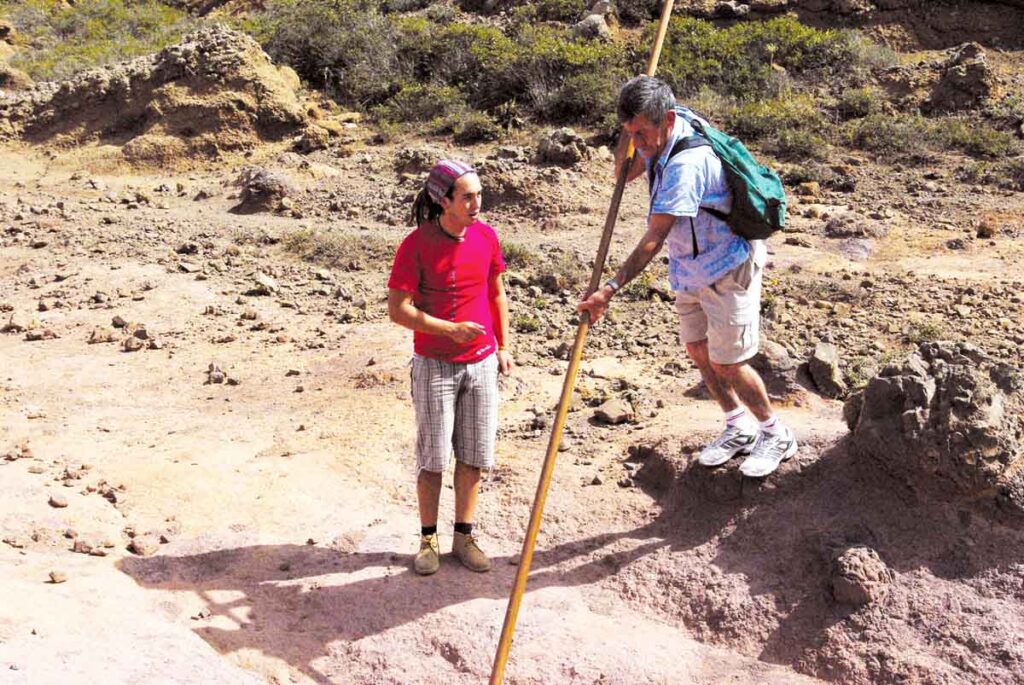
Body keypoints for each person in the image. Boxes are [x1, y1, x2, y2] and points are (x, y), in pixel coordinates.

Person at [578, 75, 797, 478]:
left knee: (728, 361)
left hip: (726, 266)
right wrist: (630, 136)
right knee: (697, 348)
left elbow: (655, 236)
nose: (638, 142)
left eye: (642, 132)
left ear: (669, 118)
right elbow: (624, 174)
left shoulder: (686, 165)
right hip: (689, 267)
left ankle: (775, 431)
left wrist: (609, 289)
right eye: (630, 132)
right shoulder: (661, 132)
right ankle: (737, 424)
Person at [387, 159, 513, 575]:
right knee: (433, 459)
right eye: (468, 196)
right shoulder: (416, 244)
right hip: (435, 365)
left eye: (479, 194)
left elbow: (497, 293)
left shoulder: (486, 237)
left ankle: (464, 535)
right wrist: (450, 330)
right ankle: (427, 539)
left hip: (480, 365)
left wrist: (504, 346)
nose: (477, 203)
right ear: (445, 201)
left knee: (474, 456)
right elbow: (398, 310)